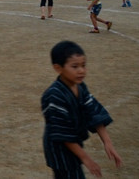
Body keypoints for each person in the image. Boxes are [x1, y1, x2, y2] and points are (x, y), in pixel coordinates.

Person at [41, 40, 122, 178]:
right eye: (75, 66)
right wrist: (86, 159)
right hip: (60, 150)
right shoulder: (54, 96)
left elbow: (93, 111)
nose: (81, 71)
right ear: (58, 68)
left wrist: (107, 142)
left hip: (73, 144)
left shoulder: (80, 87)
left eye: (83, 65)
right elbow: (62, 132)